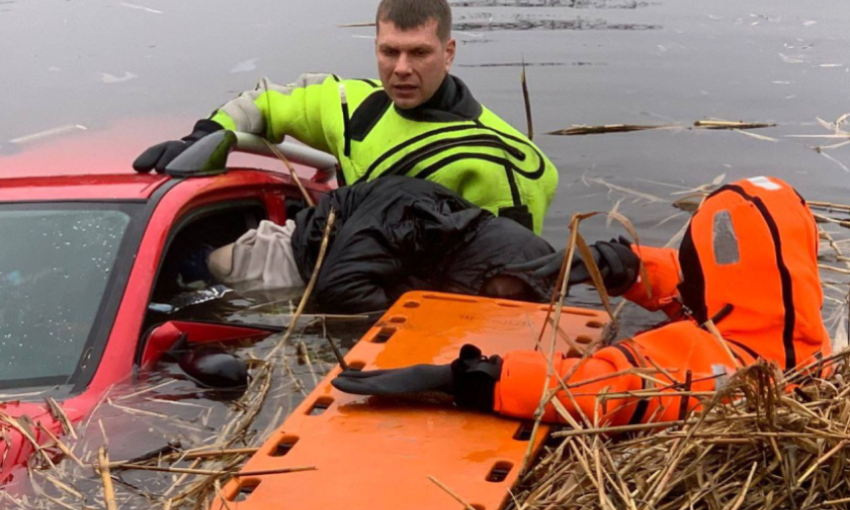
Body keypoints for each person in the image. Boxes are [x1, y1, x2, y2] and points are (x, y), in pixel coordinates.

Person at [332, 176, 833, 427]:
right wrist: (625, 265)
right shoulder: (804, 340)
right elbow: (724, 290)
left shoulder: (708, 366)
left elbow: (595, 387)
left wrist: (463, 378)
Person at [133, 0, 558, 234]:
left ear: (448, 53)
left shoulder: (503, 163)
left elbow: (508, 282)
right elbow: (263, 103)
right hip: (349, 262)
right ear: (375, 46)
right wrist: (207, 136)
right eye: (389, 52)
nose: (402, 68)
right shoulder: (353, 106)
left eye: (420, 53)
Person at [189, 176, 637, 313]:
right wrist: (424, 310)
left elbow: (545, 276)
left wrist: (609, 265)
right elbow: (338, 289)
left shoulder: (483, 248)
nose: (497, 302)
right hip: (288, 259)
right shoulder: (403, 219)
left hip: (349, 251)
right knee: (216, 266)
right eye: (500, 293)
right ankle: (187, 262)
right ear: (481, 268)